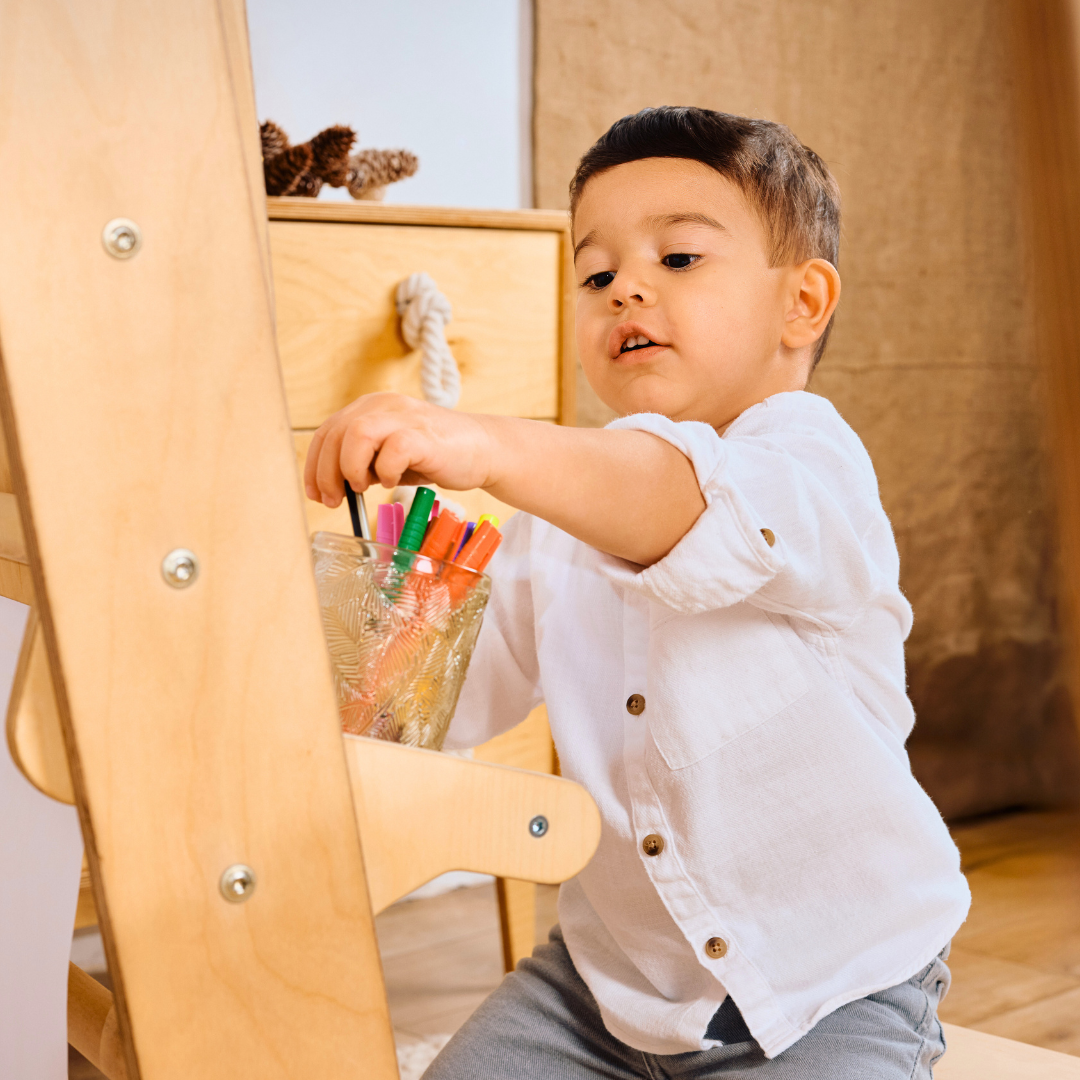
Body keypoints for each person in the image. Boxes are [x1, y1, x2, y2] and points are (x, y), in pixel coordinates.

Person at [304, 106, 970, 1079]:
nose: (627, 293)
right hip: (604, 985)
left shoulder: (810, 462)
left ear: (802, 303)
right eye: (598, 274)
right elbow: (447, 708)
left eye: (681, 260)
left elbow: (682, 500)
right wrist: (388, 634)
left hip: (833, 980)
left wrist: (487, 443)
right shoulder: (559, 515)